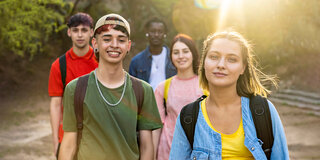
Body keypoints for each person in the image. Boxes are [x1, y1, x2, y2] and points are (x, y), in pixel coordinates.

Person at [169, 31, 289, 159]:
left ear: (243, 67)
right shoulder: (188, 117)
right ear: (204, 62)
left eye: (232, 59)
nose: (221, 65)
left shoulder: (263, 111)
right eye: (214, 57)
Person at [59, 13, 162, 160]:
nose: (114, 45)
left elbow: (147, 146)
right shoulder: (75, 89)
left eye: (121, 40)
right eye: (107, 39)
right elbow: (68, 144)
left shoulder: (143, 91)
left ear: (128, 46)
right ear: (95, 43)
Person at [48, 12, 97, 157]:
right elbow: (56, 104)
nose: (80, 35)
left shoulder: (101, 61)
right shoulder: (59, 66)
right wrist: (56, 141)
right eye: (75, 30)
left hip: (97, 136)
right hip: (68, 136)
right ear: (69, 32)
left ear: (92, 32)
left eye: (84, 30)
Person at [152, 34, 203, 160]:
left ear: (193, 54)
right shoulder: (163, 87)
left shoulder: (206, 86)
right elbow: (156, 126)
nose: (181, 56)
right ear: (171, 57)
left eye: (185, 51)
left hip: (199, 151)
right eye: (176, 52)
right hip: (167, 151)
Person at [129, 17, 176, 90]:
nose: (156, 35)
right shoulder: (136, 61)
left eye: (160, 31)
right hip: (146, 101)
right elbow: (132, 89)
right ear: (147, 33)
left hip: (170, 100)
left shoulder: (174, 58)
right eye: (153, 31)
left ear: (165, 34)